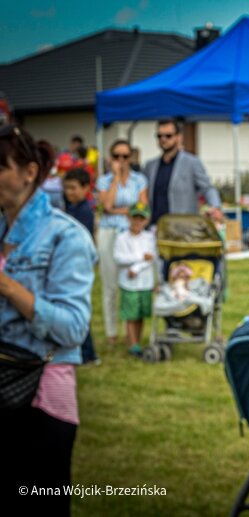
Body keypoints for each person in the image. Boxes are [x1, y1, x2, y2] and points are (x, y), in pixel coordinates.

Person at [0, 124, 96, 515]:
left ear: (29, 172)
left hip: (41, 393)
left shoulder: (66, 236)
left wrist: (8, 287)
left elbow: (74, 328)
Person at [96, 139, 148, 345]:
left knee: (132, 283)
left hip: (131, 233)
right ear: (111, 158)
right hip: (109, 232)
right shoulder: (104, 181)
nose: (121, 160)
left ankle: (131, 334)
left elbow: (142, 209)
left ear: (131, 158)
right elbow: (107, 205)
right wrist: (116, 179)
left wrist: (121, 210)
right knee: (109, 284)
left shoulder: (140, 180)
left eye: (125, 156)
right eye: (117, 156)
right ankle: (110, 332)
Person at [144, 118, 222, 226]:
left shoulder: (192, 163)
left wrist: (215, 206)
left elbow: (207, 188)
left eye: (168, 136)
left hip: (183, 228)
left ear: (178, 137)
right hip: (155, 228)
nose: (163, 139)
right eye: (159, 136)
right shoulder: (150, 166)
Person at [63, 167, 100, 365]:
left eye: (74, 188)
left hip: (78, 264)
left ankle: (88, 353)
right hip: (70, 263)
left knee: (78, 309)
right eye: (66, 188)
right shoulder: (70, 207)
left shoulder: (84, 210)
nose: (69, 192)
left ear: (86, 188)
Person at [113, 202, 156, 357]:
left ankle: (136, 340)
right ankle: (133, 344)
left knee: (141, 314)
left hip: (145, 282)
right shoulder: (121, 238)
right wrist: (139, 258)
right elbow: (119, 258)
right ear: (129, 218)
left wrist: (135, 268)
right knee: (130, 314)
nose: (137, 221)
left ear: (146, 220)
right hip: (128, 282)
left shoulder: (150, 238)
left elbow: (151, 257)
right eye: (135, 218)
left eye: (141, 218)